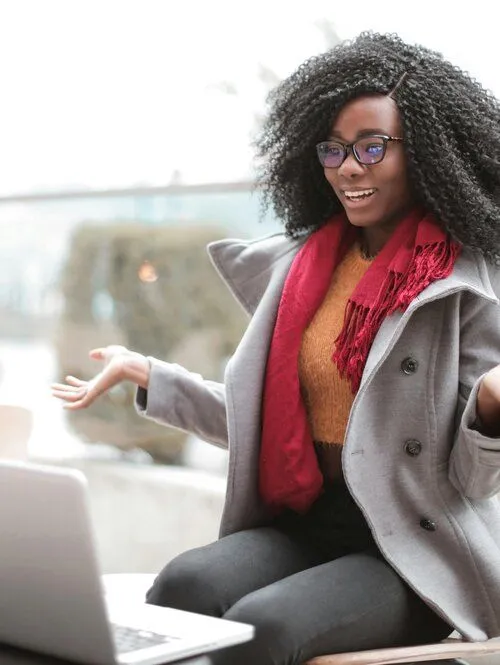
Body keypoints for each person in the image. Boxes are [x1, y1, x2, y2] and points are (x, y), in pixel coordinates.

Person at [52, 32, 500, 665]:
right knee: (183, 586)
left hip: (408, 549)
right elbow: (268, 426)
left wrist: (488, 409)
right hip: (307, 522)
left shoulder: (467, 286)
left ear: (424, 154)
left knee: (262, 628)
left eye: (374, 147)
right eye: (335, 150)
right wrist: (149, 374)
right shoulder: (305, 271)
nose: (350, 167)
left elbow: (470, 482)